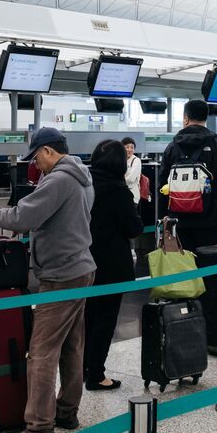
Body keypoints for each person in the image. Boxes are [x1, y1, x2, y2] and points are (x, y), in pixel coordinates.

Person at [0, 127, 95, 433]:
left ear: (49, 151)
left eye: (36, 156)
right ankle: (66, 410)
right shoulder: (84, 175)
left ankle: (40, 425)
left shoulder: (59, 179)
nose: (35, 163)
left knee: (41, 351)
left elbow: (22, 217)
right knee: (71, 346)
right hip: (81, 268)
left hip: (61, 275)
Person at [158, 101, 217, 358]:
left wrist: (164, 221)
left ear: (185, 118)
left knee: (185, 281)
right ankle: (216, 338)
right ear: (207, 118)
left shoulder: (172, 147)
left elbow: (162, 185)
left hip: (180, 225)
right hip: (212, 224)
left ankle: (186, 334)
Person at [84, 139, 142, 391]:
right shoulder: (119, 191)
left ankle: (83, 367)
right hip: (111, 264)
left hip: (84, 261)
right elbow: (133, 228)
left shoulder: (83, 185)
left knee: (88, 317)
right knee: (105, 320)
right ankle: (96, 374)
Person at [121, 137, 143, 203]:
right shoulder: (121, 160)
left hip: (132, 197)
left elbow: (131, 179)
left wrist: (119, 179)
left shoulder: (136, 160)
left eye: (132, 147)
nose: (129, 150)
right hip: (121, 195)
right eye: (127, 147)